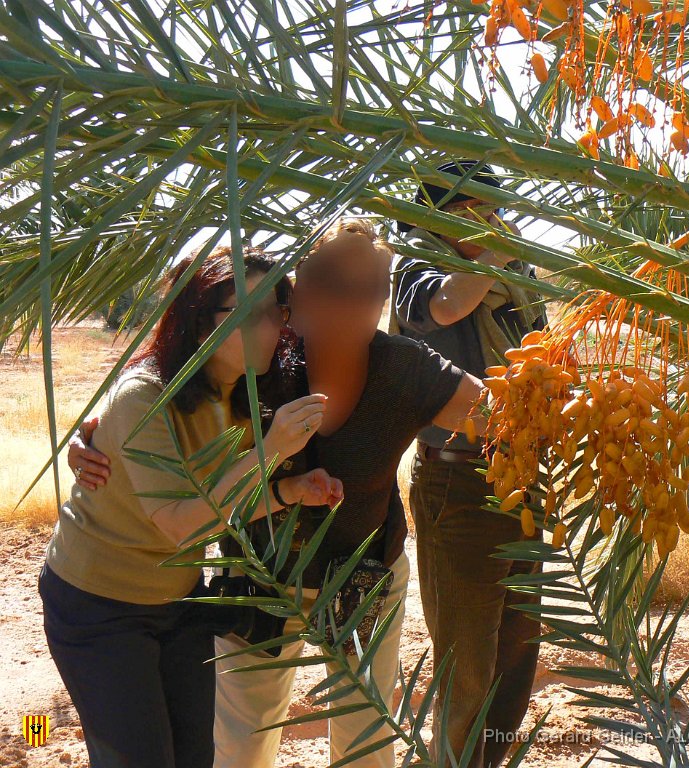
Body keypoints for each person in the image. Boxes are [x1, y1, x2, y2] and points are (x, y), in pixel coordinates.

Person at [70, 218, 488, 768]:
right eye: (336, 285)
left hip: (365, 581)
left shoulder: (405, 368)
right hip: (261, 577)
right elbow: (159, 393)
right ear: (301, 289)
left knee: (366, 741)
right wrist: (91, 437)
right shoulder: (261, 356)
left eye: (373, 290)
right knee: (243, 742)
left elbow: (499, 417)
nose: (356, 306)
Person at [41, 245, 343, 768]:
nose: (269, 327)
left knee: (194, 757)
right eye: (248, 314)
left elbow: (220, 504)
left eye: (276, 311)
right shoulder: (144, 396)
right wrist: (271, 451)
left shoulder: (244, 391)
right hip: (98, 606)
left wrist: (286, 492)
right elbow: (184, 526)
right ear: (199, 320)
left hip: (178, 598)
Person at [390, 161, 548, 768]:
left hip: (525, 477)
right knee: (467, 669)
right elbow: (448, 307)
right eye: (474, 207)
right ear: (439, 213)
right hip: (458, 479)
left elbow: (540, 353)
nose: (491, 217)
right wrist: (497, 255)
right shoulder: (414, 266)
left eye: (494, 206)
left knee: (518, 654)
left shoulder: (515, 274)